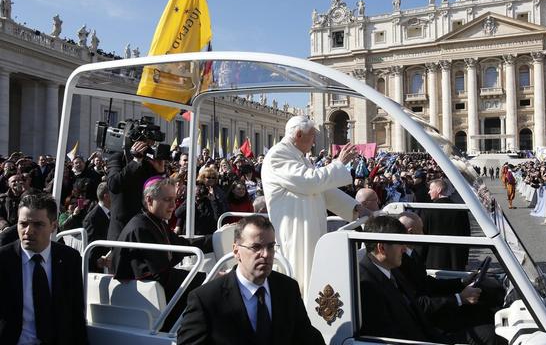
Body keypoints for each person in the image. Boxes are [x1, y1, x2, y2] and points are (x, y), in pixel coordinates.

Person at [177, 216, 325, 345]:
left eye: (271, 247)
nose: (266, 254)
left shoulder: (287, 288)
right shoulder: (206, 299)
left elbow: (307, 337)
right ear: (236, 251)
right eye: (256, 247)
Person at [261, 116, 365, 294]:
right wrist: (339, 163)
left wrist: (356, 208)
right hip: (295, 231)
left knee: (314, 274)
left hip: (309, 227)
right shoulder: (278, 155)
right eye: (312, 136)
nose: (315, 141)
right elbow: (310, 182)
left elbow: (322, 189)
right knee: (301, 277)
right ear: (299, 134)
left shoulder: (299, 156)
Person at [112, 177, 213, 330]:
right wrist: (207, 278)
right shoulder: (141, 228)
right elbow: (161, 275)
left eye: (175, 199)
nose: (173, 205)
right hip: (147, 304)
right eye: (167, 200)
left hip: (160, 295)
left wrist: (217, 238)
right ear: (149, 200)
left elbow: (182, 245)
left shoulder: (155, 221)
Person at [397, 213, 499, 345]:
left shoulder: (412, 254)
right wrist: (459, 298)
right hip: (433, 323)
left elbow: (428, 282)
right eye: (421, 230)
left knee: (486, 309)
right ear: (410, 233)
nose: (423, 234)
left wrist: (461, 281)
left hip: (439, 309)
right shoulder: (401, 262)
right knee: (490, 333)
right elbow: (419, 304)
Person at [0, 194, 88, 344]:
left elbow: (76, 314)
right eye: (23, 224)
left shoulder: (69, 259)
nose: (28, 231)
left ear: (53, 226)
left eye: (38, 225)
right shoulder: (3, 260)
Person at [358, 215, 446, 343]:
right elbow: (389, 336)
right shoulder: (367, 286)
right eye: (400, 244)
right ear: (381, 248)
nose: (405, 249)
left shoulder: (390, 269)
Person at [106, 139, 165, 240]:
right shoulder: (118, 157)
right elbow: (114, 185)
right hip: (122, 230)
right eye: (145, 142)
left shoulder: (149, 162)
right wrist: (136, 161)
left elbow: (159, 192)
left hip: (145, 228)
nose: (149, 145)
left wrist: (160, 172)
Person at [421, 179, 470, 270]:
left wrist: (421, 258)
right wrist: (464, 259)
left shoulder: (427, 210)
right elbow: (466, 235)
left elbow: (423, 236)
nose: (428, 192)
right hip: (456, 260)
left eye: (431, 189)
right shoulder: (461, 210)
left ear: (439, 190)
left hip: (434, 259)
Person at [82, 182, 111, 272]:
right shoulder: (92, 218)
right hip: (100, 270)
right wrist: (96, 262)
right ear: (106, 196)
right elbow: (91, 247)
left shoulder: (112, 213)